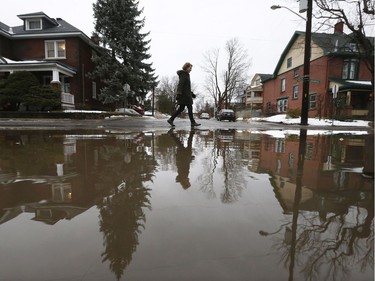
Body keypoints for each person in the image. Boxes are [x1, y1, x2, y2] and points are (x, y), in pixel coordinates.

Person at [167, 62, 200, 127]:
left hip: (186, 95)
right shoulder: (183, 75)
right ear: (186, 67)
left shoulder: (186, 75)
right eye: (190, 68)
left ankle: (171, 119)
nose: (191, 69)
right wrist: (178, 94)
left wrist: (192, 94)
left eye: (191, 68)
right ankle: (192, 122)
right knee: (189, 108)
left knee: (181, 109)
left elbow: (186, 88)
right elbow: (180, 85)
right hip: (185, 96)